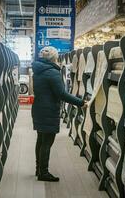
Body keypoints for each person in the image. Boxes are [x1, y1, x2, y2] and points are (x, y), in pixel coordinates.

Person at [31, 46, 87, 182]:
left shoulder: (38, 70)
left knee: (41, 139)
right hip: (48, 110)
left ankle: (39, 169)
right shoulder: (52, 72)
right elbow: (61, 94)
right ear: (54, 58)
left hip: (38, 108)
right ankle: (43, 173)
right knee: (47, 142)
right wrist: (81, 102)